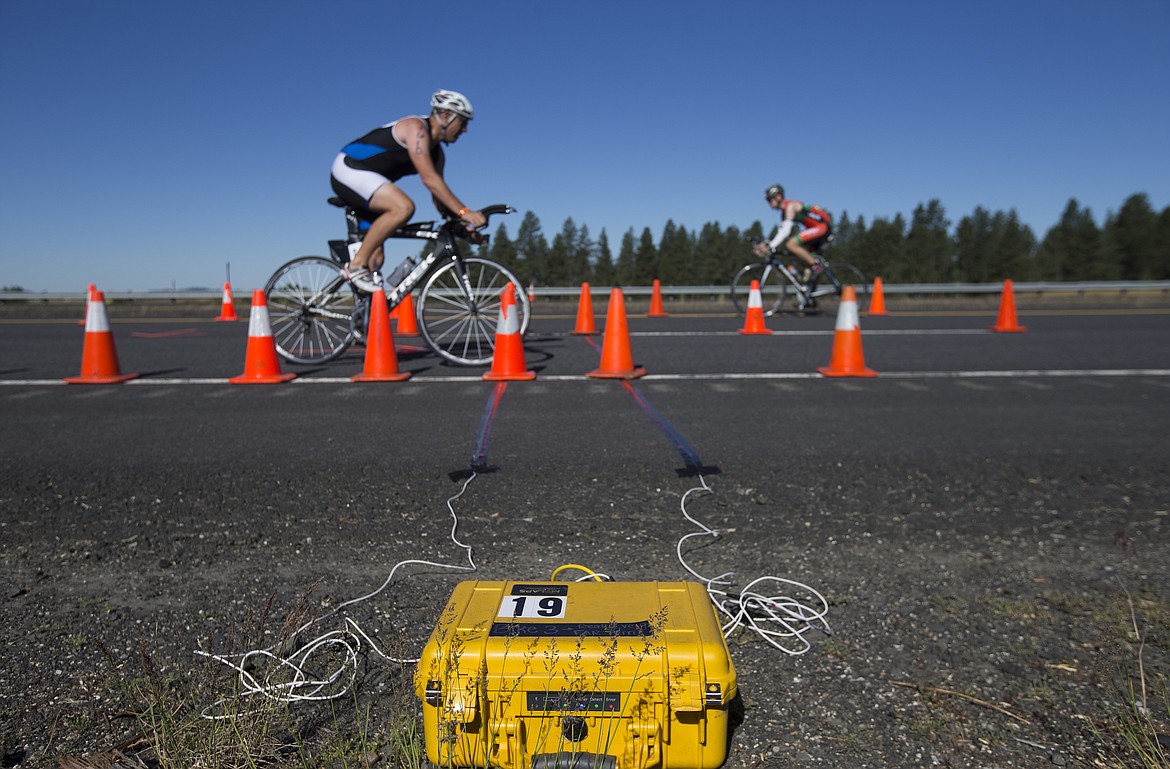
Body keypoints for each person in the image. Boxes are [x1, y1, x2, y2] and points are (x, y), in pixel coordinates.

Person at [329, 90, 487, 292]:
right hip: (349, 168)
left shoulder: (438, 155)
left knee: (376, 258)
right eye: (463, 122)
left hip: (370, 186)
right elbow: (430, 180)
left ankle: (363, 315)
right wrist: (466, 212)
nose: (465, 130)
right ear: (447, 116)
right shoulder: (416, 128)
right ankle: (355, 265)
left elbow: (439, 199)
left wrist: (464, 228)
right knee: (403, 207)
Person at [755, 184, 833, 282]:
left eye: (770, 200)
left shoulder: (790, 206)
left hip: (822, 227)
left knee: (791, 244)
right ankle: (809, 292)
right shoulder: (784, 213)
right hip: (816, 229)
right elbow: (781, 233)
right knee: (807, 275)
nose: (769, 204)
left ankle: (816, 267)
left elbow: (785, 231)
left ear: (778, 197)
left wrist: (770, 246)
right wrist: (769, 244)